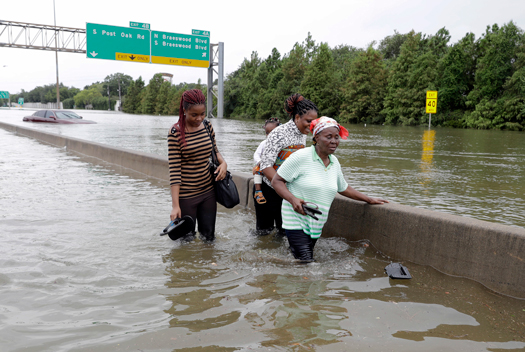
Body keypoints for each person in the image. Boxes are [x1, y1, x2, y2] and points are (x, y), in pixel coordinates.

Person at [271, 116, 389, 262]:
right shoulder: (301, 156)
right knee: (307, 263)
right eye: (329, 137)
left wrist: (369, 199)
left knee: (298, 258)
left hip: (316, 223)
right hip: (296, 220)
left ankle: (273, 260)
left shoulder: (334, 162)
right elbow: (277, 180)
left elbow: (343, 187)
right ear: (317, 137)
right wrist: (293, 199)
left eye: (336, 137)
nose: (334, 141)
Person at [168, 89, 228, 242]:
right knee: (186, 242)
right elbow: (174, 171)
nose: (199, 118)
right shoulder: (175, 132)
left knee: (209, 238)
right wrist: (175, 206)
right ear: (184, 110)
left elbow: (215, 151)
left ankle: (207, 265)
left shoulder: (207, 126)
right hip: (187, 196)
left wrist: (224, 163)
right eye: (194, 115)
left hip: (208, 192)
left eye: (202, 114)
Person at [255, 94, 318, 236]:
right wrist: (282, 188)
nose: (312, 125)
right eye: (308, 121)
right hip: (269, 189)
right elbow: (265, 166)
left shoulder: (303, 133)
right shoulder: (278, 133)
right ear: (297, 118)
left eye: (314, 122)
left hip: (288, 190)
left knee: (284, 232)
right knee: (264, 233)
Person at [253, 118, 281, 204]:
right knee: (258, 171)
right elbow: (256, 154)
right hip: (263, 165)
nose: (269, 135)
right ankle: (258, 191)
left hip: (275, 167)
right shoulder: (264, 143)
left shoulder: (282, 143)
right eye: (267, 132)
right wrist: (260, 162)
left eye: (272, 132)